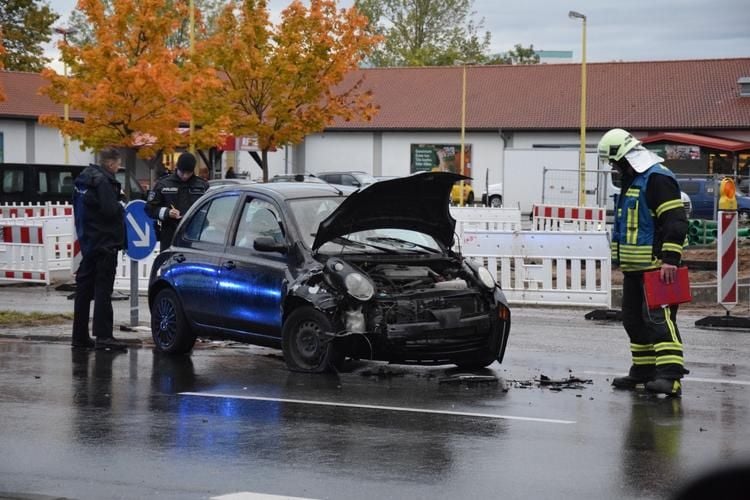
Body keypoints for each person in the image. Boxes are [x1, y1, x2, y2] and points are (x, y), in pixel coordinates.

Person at [598, 128, 689, 396]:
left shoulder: (658, 179)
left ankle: (671, 376)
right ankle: (644, 371)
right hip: (635, 269)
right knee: (633, 320)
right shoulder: (634, 179)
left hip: (658, 268)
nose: (614, 167)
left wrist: (670, 259)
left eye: (615, 162)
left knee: (659, 321)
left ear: (626, 157)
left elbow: (674, 221)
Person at [71, 147, 129, 351]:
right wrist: (121, 201)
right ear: (111, 163)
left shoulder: (83, 179)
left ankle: (79, 336)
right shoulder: (103, 182)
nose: (119, 166)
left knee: (84, 290)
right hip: (105, 243)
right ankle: (104, 336)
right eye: (118, 163)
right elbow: (110, 210)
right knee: (103, 291)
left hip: (88, 242)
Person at [146, 152, 209, 251]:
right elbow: (150, 208)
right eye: (182, 172)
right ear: (177, 168)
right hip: (170, 235)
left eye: (188, 173)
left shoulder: (202, 186)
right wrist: (167, 212)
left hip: (195, 236)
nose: (185, 176)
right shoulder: (163, 184)